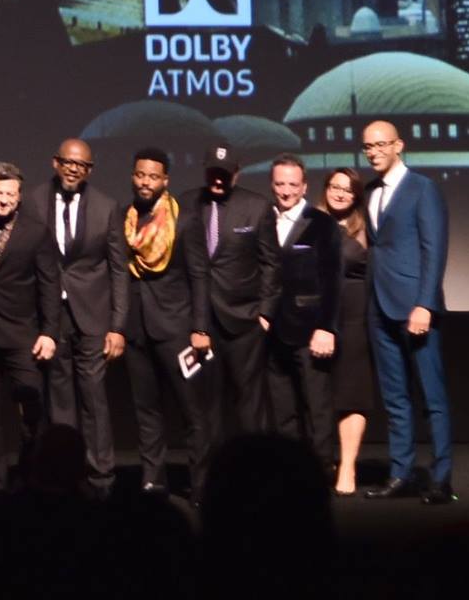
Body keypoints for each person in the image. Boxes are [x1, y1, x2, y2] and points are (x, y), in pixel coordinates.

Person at [359, 121, 455, 503]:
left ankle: (442, 480)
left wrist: (425, 304)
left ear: (399, 145)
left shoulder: (422, 188)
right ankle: (400, 474)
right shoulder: (370, 191)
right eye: (368, 146)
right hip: (378, 306)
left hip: (415, 307)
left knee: (433, 397)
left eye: (381, 144)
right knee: (395, 398)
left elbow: (435, 249)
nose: (374, 152)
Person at [25, 137, 126, 494]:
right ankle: (64, 475)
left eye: (80, 165)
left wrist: (117, 325)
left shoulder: (107, 207)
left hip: (94, 316)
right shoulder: (34, 201)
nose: (73, 169)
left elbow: (119, 269)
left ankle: (101, 476)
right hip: (51, 316)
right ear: (56, 163)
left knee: (94, 398)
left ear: (89, 170)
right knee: (59, 400)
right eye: (67, 162)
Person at [117, 146, 212, 496]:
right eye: (140, 175)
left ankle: (201, 484)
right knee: (146, 410)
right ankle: (153, 479)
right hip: (136, 328)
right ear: (133, 177)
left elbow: (200, 275)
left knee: (192, 411)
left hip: (177, 329)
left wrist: (200, 328)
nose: (145, 182)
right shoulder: (123, 217)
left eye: (153, 177)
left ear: (165, 180)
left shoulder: (184, 220)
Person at [0, 162, 56, 489]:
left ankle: (31, 473)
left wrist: (49, 332)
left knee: (33, 408)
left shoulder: (36, 231)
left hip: (21, 334)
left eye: (10, 194)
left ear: (19, 196)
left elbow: (49, 284)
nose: (3, 200)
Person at [185, 143, 279, 439]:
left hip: (245, 321)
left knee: (249, 404)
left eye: (224, 174)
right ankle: (212, 467)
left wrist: (265, 314)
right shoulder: (185, 203)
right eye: (213, 172)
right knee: (206, 406)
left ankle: (252, 464)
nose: (217, 179)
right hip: (200, 321)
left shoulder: (257, 207)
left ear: (236, 174)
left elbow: (271, 263)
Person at [260, 153, 343, 476]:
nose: (286, 191)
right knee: (282, 408)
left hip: (311, 331)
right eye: (280, 184)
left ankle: (321, 471)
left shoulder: (322, 224)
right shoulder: (262, 219)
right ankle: (288, 471)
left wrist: (327, 327)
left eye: (293, 185)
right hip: (271, 331)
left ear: (305, 186)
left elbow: (333, 280)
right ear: (272, 184)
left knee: (316, 406)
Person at [318, 167, 378, 494]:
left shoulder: (366, 227)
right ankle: (320, 461)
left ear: (356, 195)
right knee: (318, 394)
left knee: (351, 394)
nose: (340, 193)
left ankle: (348, 467)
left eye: (347, 189)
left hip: (354, 317)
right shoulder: (310, 221)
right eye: (334, 187)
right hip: (315, 318)